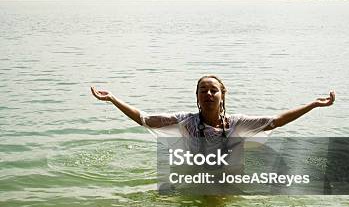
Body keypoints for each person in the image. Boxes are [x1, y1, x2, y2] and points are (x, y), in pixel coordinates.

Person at [90, 75, 335, 138]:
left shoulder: (236, 123)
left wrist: (312, 105)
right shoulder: (184, 121)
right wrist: (113, 98)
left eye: (213, 90)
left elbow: (276, 121)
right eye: (203, 90)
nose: (208, 94)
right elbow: (144, 118)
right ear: (197, 97)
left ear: (222, 96)